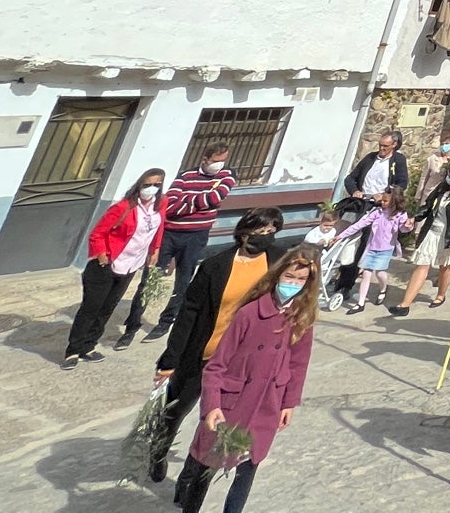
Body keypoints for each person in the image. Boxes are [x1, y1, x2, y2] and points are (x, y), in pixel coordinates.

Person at [173, 243, 317, 513]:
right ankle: (187, 494)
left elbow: (299, 364)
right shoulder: (249, 313)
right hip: (233, 402)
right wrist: (212, 405)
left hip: (267, 404)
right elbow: (217, 365)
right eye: (289, 277)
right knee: (207, 461)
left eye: (300, 280)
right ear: (277, 276)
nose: (293, 283)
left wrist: (288, 402)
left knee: (247, 467)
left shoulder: (301, 318)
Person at [146, 208, 285, 484]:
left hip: (242, 360)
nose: (267, 237)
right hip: (205, 352)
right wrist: (171, 358)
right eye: (262, 231)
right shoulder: (215, 265)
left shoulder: (278, 261)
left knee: (217, 420)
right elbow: (189, 312)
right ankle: (158, 450)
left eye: (272, 232)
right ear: (245, 231)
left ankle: (191, 474)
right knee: (176, 409)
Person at [63, 167, 165, 367]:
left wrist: (156, 250)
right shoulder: (123, 207)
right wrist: (102, 255)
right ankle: (73, 350)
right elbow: (97, 234)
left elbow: (158, 228)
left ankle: (89, 345)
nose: (151, 189)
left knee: (107, 308)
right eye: (147, 185)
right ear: (139, 185)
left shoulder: (159, 206)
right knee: (91, 308)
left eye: (156, 185)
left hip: (130, 266)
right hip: (107, 264)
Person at [138, 144, 236, 342]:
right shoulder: (185, 176)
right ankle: (133, 322)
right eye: (215, 161)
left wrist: (187, 201)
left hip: (196, 235)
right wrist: (198, 202)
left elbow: (215, 198)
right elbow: (170, 205)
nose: (219, 165)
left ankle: (166, 321)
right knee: (150, 277)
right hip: (169, 233)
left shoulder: (226, 175)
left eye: (222, 161)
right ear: (205, 159)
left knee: (183, 281)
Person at [395, 164, 450, 314]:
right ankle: (404, 305)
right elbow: (428, 205)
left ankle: (441, 295)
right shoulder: (443, 187)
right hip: (433, 231)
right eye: (447, 174)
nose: (448, 177)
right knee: (422, 264)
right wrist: (415, 218)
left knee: (446, 265)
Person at [332, 188, 412, 313]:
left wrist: (408, 226)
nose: (383, 203)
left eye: (386, 201)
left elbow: (403, 229)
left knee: (380, 273)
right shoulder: (378, 212)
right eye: (382, 200)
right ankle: (361, 303)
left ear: (395, 201)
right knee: (366, 274)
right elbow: (360, 224)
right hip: (372, 247)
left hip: (386, 249)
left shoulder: (400, 215)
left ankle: (383, 288)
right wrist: (341, 236)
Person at [343, 131, 410, 203]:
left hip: (380, 203)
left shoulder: (398, 160)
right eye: (380, 145)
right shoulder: (370, 158)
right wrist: (354, 191)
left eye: (385, 146)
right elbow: (350, 178)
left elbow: (402, 184)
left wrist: (385, 195)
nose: (381, 148)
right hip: (361, 201)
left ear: (394, 145)